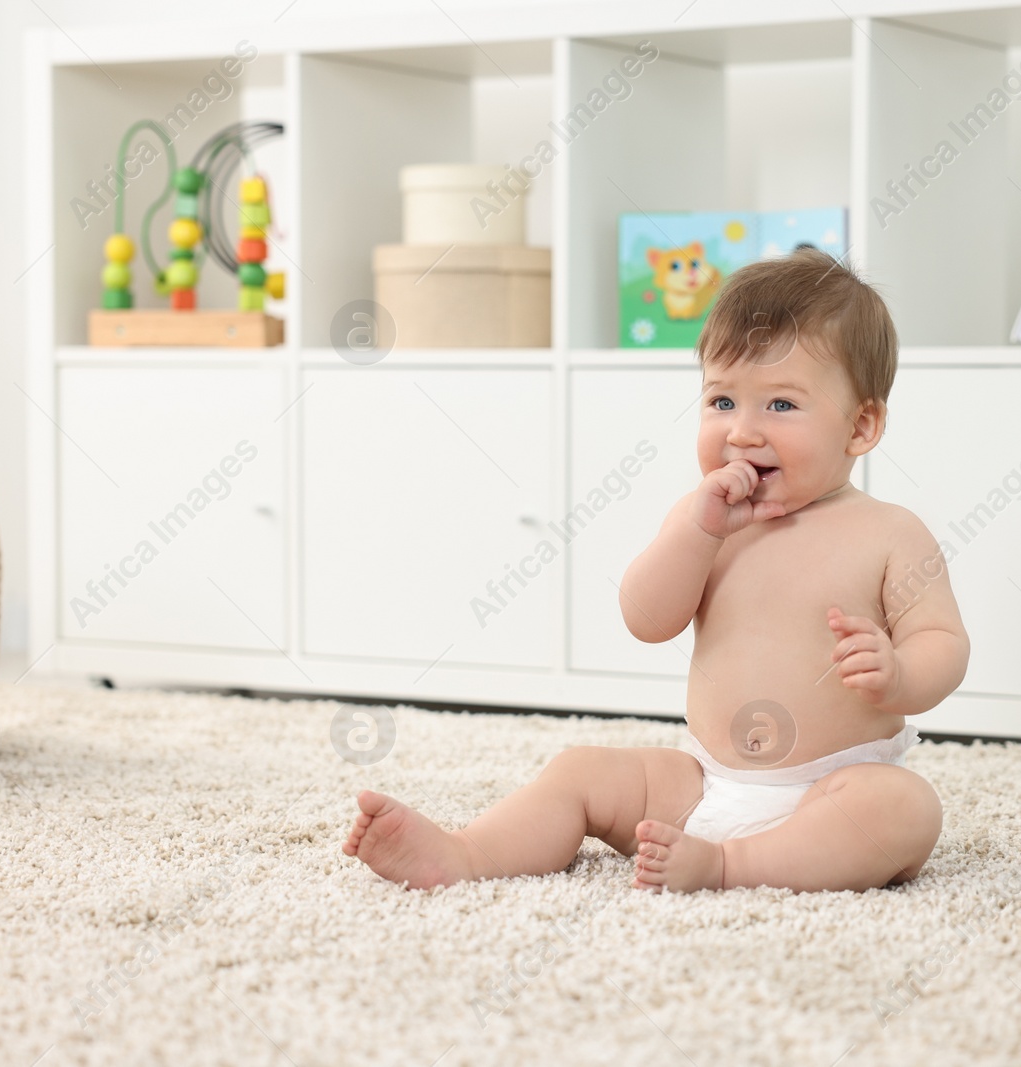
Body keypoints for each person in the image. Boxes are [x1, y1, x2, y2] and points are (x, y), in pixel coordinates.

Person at [344, 248, 969, 893]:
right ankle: (466, 855)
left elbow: (942, 643)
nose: (742, 433)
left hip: (829, 788)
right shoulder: (706, 520)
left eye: (780, 406)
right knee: (579, 769)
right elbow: (646, 620)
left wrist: (898, 676)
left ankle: (731, 866)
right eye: (722, 401)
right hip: (704, 786)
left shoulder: (891, 533)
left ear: (861, 426)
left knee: (903, 809)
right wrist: (696, 535)